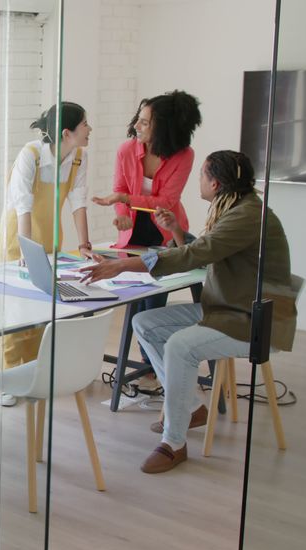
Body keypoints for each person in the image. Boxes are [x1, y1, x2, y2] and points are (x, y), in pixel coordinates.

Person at [78, 150, 297, 474]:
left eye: (202, 175)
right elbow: (208, 250)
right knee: (146, 322)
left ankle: (174, 443)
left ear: (216, 182)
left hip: (251, 321)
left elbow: (199, 254)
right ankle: (192, 408)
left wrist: (123, 265)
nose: (199, 180)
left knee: (181, 346)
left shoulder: (246, 216)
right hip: (227, 307)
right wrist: (177, 231)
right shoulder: (236, 208)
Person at [93, 91, 203, 363]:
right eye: (138, 120)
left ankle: (151, 363)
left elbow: (167, 201)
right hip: (132, 231)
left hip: (165, 231)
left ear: (163, 127)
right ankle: (149, 363)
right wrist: (122, 213)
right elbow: (119, 190)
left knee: (153, 301)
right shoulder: (126, 149)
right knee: (133, 298)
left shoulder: (183, 155)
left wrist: (125, 200)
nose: (136, 126)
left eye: (144, 122)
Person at [0, 103, 94, 402]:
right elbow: (23, 204)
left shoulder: (78, 157)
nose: (90, 129)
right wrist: (27, 248)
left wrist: (84, 245)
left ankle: (37, 373)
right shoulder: (31, 156)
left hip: (51, 239)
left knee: (44, 308)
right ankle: (10, 379)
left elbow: (78, 202)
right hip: (19, 238)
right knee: (16, 312)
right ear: (68, 132)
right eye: (85, 124)